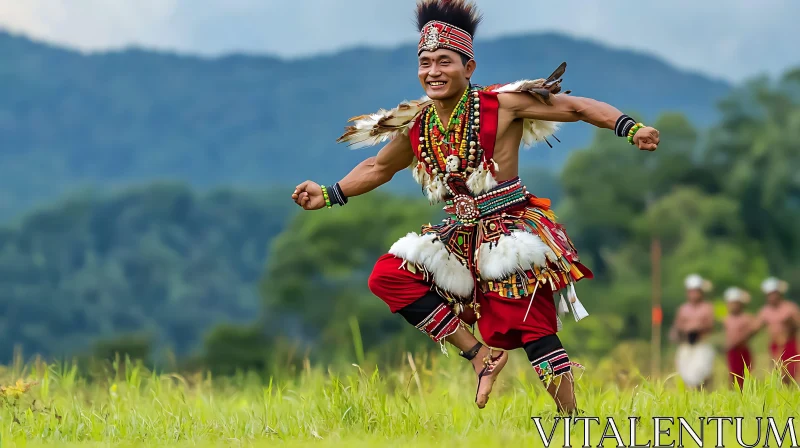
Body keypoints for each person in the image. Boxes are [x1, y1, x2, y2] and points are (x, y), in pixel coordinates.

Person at [291, 0, 660, 413]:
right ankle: (479, 356)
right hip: (459, 234)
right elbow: (378, 167)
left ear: (468, 68)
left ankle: (572, 421)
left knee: (533, 329)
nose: (433, 71)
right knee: (389, 276)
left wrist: (630, 128)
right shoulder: (419, 124)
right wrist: (328, 193)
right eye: (425, 62)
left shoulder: (501, 104)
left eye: (444, 61)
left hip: (511, 232)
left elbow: (575, 107)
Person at [669, 274, 715, 389]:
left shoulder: (707, 308)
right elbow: (677, 326)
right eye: (691, 291)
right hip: (686, 345)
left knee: (701, 375)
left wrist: (697, 329)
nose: (694, 294)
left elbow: (710, 325)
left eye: (696, 291)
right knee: (685, 376)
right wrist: (677, 334)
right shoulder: (683, 309)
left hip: (701, 345)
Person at [751, 277, 800, 384]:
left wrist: (790, 324)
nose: (772, 297)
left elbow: (797, 325)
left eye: (774, 294)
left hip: (789, 344)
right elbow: (755, 328)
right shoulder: (765, 311)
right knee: (777, 372)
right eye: (769, 295)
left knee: (791, 371)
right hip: (775, 345)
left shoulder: (789, 308)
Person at [722, 286, 755, 389]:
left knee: (745, 375)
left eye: (736, 303)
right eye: (731, 303)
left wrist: (739, 341)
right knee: (732, 375)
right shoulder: (726, 319)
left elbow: (751, 332)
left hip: (742, 350)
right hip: (731, 351)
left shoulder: (747, 318)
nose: (733, 306)